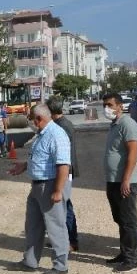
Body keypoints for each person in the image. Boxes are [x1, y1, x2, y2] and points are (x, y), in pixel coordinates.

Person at [7, 104, 71, 274]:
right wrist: (24, 166)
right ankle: (30, 261)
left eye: (30, 118)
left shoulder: (56, 135)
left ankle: (60, 265)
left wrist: (58, 190)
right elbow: (42, 159)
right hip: (37, 186)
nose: (29, 122)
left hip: (50, 185)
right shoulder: (41, 135)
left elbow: (63, 165)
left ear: (39, 119)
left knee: (55, 226)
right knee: (33, 225)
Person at [102, 92, 137, 273]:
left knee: (129, 220)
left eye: (110, 105)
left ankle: (132, 259)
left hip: (124, 182)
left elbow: (133, 152)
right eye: (105, 105)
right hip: (113, 180)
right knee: (120, 219)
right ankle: (124, 253)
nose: (106, 108)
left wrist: (126, 179)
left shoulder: (128, 124)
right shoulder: (114, 125)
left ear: (119, 106)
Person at [46, 96, 80, 252]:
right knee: (62, 206)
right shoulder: (61, 124)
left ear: (51, 110)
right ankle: (62, 239)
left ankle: (71, 241)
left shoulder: (63, 126)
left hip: (66, 171)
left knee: (65, 206)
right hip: (64, 170)